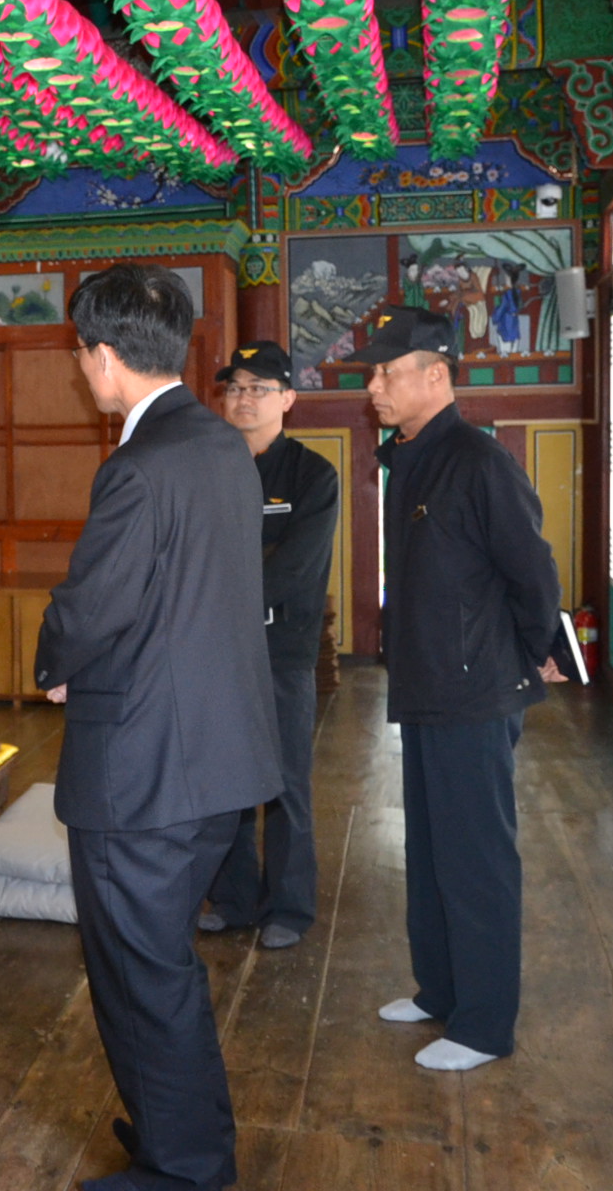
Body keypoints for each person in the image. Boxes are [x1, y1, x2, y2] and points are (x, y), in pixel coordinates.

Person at [35, 264, 282, 1191]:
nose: (82, 368)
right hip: (219, 757)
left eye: (80, 353)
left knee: (142, 974)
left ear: (104, 357)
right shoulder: (221, 443)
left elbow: (92, 605)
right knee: (161, 964)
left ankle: (181, 1171)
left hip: (145, 770)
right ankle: (186, 1134)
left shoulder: (137, 466)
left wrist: (53, 664)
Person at [353, 305, 566, 1072]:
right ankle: (440, 990)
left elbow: (533, 571)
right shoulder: (409, 455)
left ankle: (482, 1025)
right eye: (373, 373)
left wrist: (534, 651)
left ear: (436, 375)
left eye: (388, 372)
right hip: (425, 682)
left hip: (475, 688)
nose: (374, 386)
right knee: (431, 849)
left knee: (476, 858)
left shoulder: (478, 460)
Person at [200, 340, 339, 951]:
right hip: (215, 650)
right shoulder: (206, 468)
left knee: (284, 783)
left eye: (258, 389)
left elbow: (294, 568)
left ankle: (289, 907)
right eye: (234, 388)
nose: (243, 399)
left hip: (281, 650)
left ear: (288, 399)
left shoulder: (314, 475)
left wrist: (222, 586)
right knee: (222, 780)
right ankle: (233, 898)